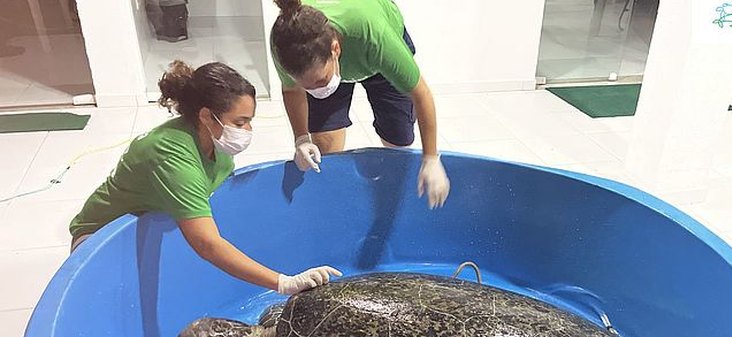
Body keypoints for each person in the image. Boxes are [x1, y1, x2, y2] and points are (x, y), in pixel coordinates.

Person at [68, 60, 341, 295]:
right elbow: (207, 244)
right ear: (207, 116)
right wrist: (283, 282)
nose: (247, 129)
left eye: (249, 120)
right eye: (239, 122)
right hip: (100, 240)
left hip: (153, 223)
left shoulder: (214, 144)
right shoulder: (171, 156)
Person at [270, 0, 451, 209]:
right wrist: (301, 139)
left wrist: (431, 158)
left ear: (335, 49)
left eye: (320, 82)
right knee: (324, 145)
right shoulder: (284, 46)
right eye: (307, 85)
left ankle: (388, 205)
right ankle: (336, 206)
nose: (316, 91)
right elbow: (292, 90)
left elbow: (421, 94)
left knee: (397, 141)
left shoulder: (376, 37)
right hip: (326, 56)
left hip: (370, 49)